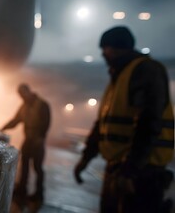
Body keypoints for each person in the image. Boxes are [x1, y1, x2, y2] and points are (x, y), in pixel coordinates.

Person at [73, 26, 174, 213]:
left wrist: (130, 170)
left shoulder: (144, 71)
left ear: (117, 48)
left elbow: (149, 123)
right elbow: (102, 126)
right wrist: (86, 158)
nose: (103, 54)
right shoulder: (118, 77)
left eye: (106, 48)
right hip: (120, 169)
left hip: (142, 174)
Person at [0, 83, 51, 202]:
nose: (22, 97)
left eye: (23, 94)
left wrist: (41, 138)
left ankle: (39, 194)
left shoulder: (42, 104)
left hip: (38, 139)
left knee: (38, 167)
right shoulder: (24, 106)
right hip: (28, 139)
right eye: (20, 95)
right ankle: (22, 189)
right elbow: (16, 120)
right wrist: (3, 128)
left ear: (28, 91)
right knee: (24, 165)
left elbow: (46, 122)